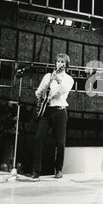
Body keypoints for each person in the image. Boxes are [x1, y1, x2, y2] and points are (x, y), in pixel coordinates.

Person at [23, 53, 74, 181]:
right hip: (47, 110)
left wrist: (57, 79)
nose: (60, 64)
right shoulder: (47, 76)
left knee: (60, 142)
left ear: (66, 65)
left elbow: (63, 91)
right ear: (55, 63)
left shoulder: (68, 79)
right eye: (58, 61)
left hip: (60, 111)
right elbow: (38, 91)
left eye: (62, 62)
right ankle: (36, 171)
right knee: (38, 138)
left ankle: (58, 169)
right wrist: (41, 93)